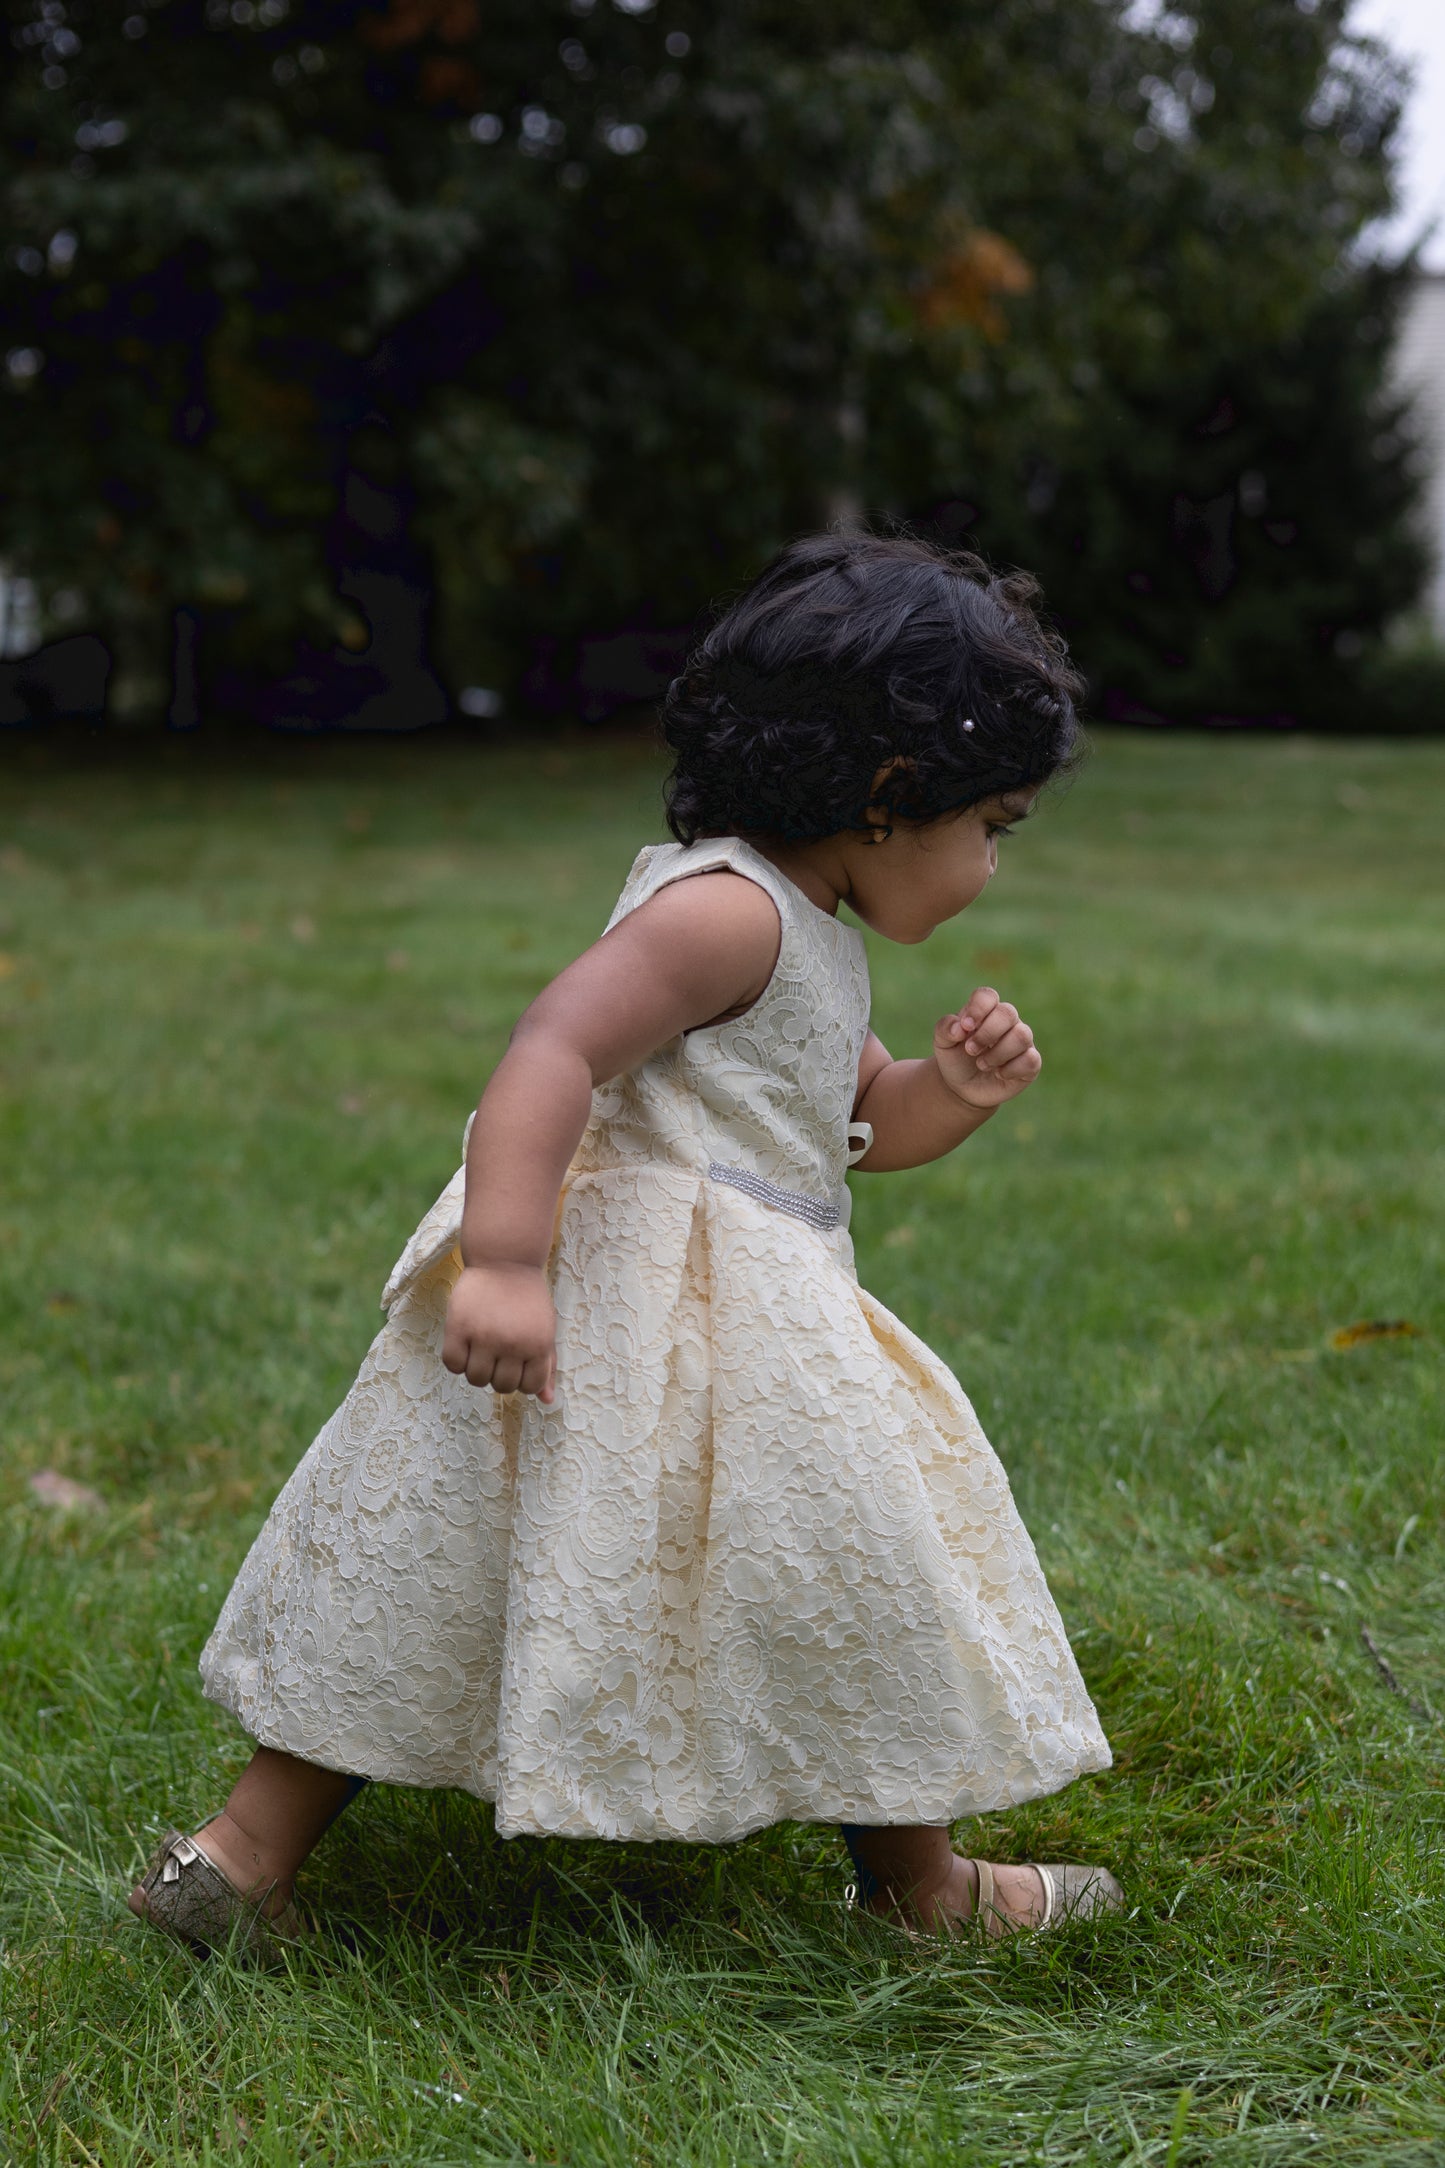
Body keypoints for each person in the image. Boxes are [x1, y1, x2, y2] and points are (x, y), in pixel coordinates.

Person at [130, 530, 1120, 1959]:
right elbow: (553, 1048)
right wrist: (506, 1263)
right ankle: (242, 1858)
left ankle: (244, 1859)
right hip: (626, 1317)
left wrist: (949, 1092)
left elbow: (849, 1128)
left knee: (777, 1569)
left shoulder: (806, 924)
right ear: (889, 795)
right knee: (783, 1565)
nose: (991, 864)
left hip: (728, 1329)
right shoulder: (727, 913)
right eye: (993, 826)